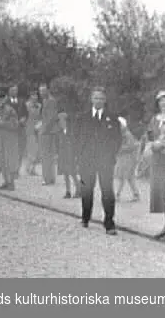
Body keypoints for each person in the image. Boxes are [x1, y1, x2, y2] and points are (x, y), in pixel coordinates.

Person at [74, 87, 122, 235]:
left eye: (101, 98)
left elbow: (117, 139)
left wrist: (110, 154)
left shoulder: (112, 118)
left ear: (105, 100)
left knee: (107, 191)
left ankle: (109, 223)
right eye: (96, 98)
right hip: (87, 160)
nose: (98, 101)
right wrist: (80, 155)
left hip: (105, 161)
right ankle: (85, 217)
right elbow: (76, 138)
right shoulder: (83, 117)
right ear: (91, 99)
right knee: (87, 189)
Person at [147, 90, 165, 239]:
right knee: (163, 194)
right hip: (158, 160)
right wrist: (152, 145)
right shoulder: (154, 119)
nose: (164, 103)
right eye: (161, 100)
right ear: (157, 104)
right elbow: (149, 136)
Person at [0, 87, 19, 191]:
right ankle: (6, 181)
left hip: (9, 139)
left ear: (4, 99)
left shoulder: (10, 110)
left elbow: (15, 124)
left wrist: (2, 123)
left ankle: (11, 182)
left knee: (9, 161)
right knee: (0, 160)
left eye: (0, 99)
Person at [114, 117, 141, 202]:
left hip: (128, 159)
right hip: (126, 158)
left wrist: (119, 149)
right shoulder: (123, 134)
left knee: (123, 177)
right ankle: (136, 194)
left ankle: (117, 195)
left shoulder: (127, 135)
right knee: (129, 177)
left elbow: (130, 146)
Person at [39, 83, 59, 185]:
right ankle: (49, 178)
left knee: (46, 155)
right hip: (48, 130)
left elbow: (51, 117)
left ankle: (47, 179)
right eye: (40, 91)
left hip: (48, 132)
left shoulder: (51, 101)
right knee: (48, 156)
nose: (41, 93)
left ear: (48, 90)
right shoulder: (45, 100)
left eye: (43, 91)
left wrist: (43, 129)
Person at [57, 111, 80, 199]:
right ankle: (68, 191)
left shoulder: (71, 131)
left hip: (71, 154)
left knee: (73, 173)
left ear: (65, 121)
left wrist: (75, 155)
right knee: (65, 173)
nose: (59, 122)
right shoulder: (60, 131)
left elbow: (75, 143)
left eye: (60, 120)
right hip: (63, 154)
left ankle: (78, 189)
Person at [7, 84, 28, 177]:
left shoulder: (21, 102)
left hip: (20, 129)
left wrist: (23, 119)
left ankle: (17, 170)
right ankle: (10, 170)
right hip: (10, 130)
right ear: (9, 91)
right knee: (11, 150)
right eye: (12, 90)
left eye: (15, 90)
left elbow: (26, 113)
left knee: (20, 150)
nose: (14, 92)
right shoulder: (6, 102)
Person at [24, 90, 42, 175]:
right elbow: (24, 116)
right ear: (30, 96)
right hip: (30, 128)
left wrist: (39, 124)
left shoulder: (39, 105)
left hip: (38, 128)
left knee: (37, 150)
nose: (35, 97)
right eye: (33, 95)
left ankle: (33, 168)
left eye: (36, 95)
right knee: (31, 149)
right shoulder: (27, 105)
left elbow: (41, 117)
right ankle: (28, 167)